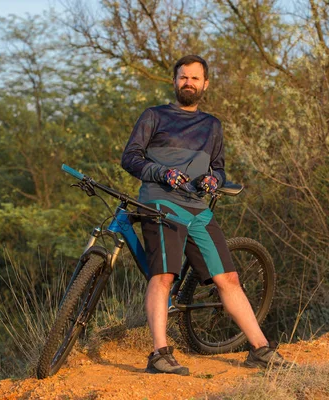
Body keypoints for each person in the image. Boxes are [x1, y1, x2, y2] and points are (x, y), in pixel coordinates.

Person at [121, 55, 284, 375]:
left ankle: (260, 350)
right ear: (174, 81)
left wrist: (215, 180)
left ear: (205, 84)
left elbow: (219, 169)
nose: (189, 83)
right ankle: (159, 354)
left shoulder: (212, 125)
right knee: (164, 275)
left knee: (229, 278)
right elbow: (130, 158)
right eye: (183, 77)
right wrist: (161, 172)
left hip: (198, 208)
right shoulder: (153, 116)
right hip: (161, 201)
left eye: (195, 78)